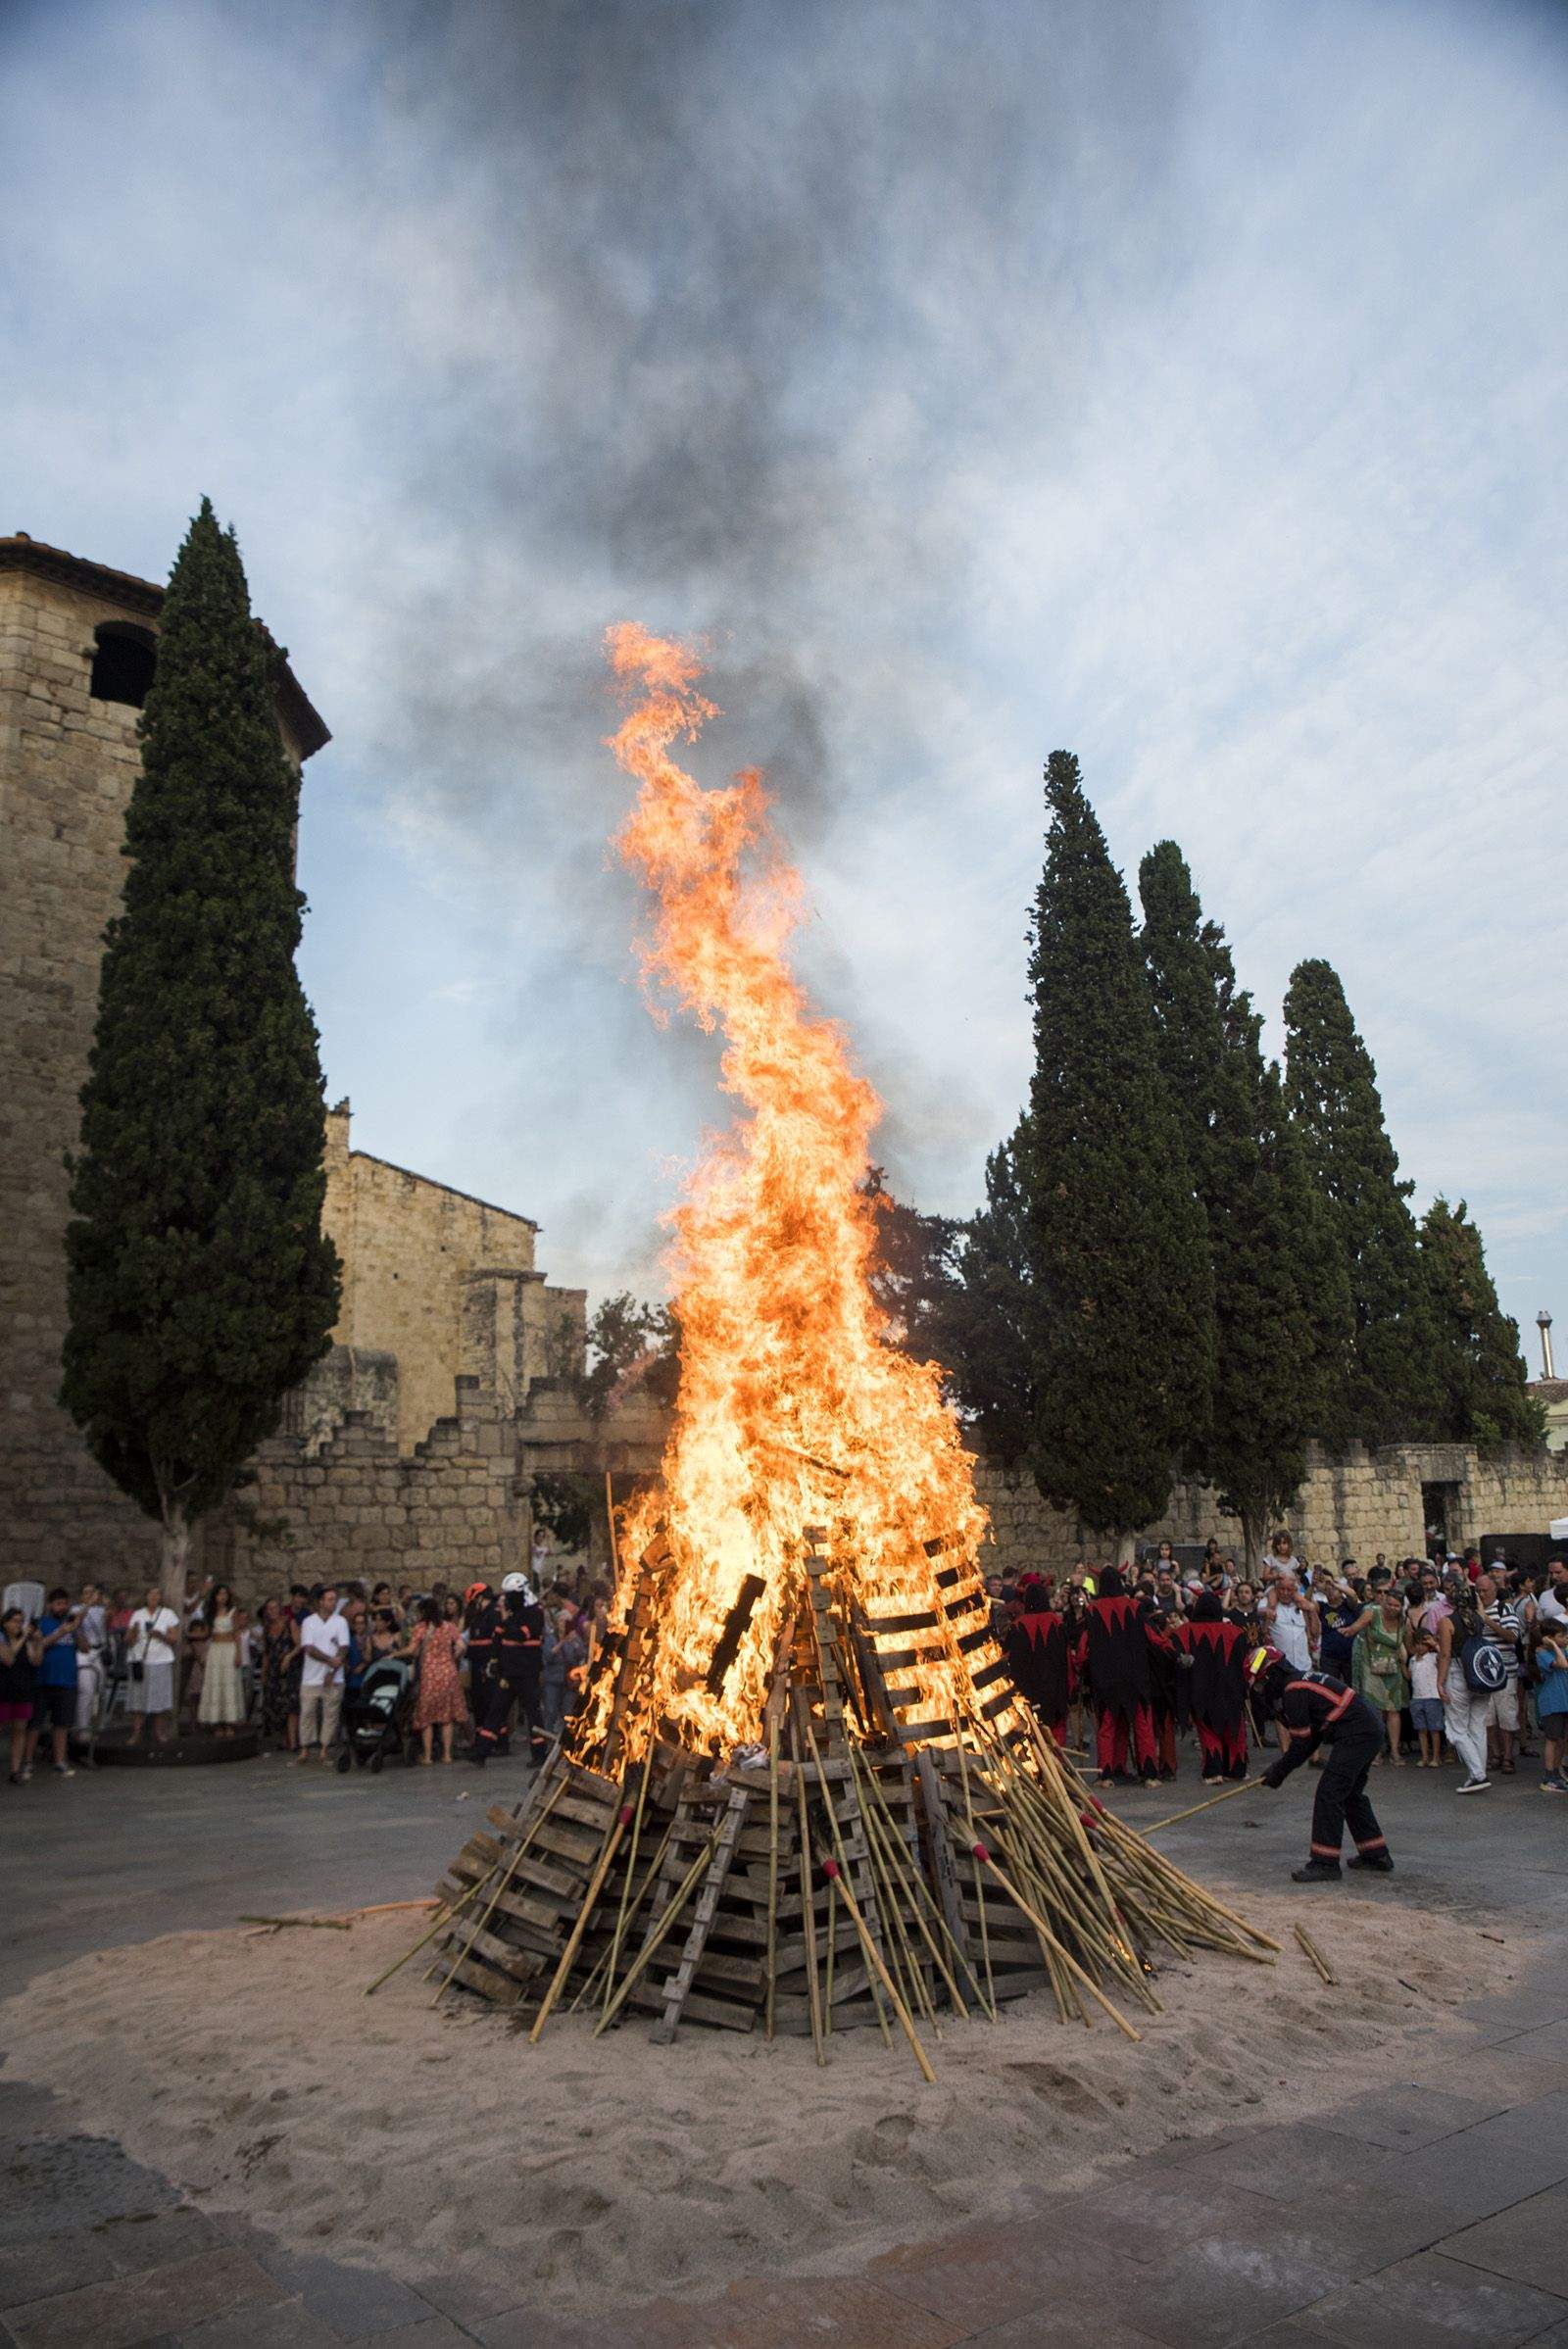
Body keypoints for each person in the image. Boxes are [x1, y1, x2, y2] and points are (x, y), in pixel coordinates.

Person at [1250, 1645, 1392, 1882]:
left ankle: (1325, 1863)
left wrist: (1279, 1771)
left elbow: (1302, 1744)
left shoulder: (1293, 1690)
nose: (1262, 1691)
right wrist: (1280, 1770)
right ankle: (1375, 1854)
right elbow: (1313, 1737)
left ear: (1270, 1674)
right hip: (1369, 1729)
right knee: (1350, 1794)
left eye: (1261, 1685)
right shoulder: (1299, 1682)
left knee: (1330, 1793)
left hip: (1356, 1733)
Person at [1076, 1567, 1165, 1788]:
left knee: (1107, 1726)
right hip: (1136, 1677)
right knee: (1142, 1724)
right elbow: (1153, 1638)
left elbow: (1083, 1649)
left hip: (1105, 1679)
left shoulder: (1092, 1610)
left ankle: (1107, 1774)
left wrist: (1082, 1670)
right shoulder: (1135, 1607)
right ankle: (1150, 1774)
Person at [1169, 1593, 1251, 1782]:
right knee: (1234, 1730)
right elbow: (1244, 1662)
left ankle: (1214, 1772)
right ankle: (1236, 1770)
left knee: (1207, 1730)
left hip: (1200, 1689)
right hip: (1230, 1690)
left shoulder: (1183, 1631)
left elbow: (1173, 1656)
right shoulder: (1235, 1632)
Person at [471, 1573, 546, 1767]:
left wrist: (506, 1621)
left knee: (533, 1713)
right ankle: (481, 1753)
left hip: (527, 1672)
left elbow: (521, 1635)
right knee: (496, 1711)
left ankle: (539, 1754)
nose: (506, 1599)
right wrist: (494, 1660)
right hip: (508, 1672)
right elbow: (498, 1638)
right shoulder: (509, 1612)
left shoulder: (535, 1612)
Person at [1436, 1580, 1493, 1793]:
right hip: (1479, 1674)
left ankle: (1477, 1774)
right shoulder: (1479, 1619)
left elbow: (1445, 1654)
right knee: (1477, 1725)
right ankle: (1479, 1770)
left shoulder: (1447, 1622)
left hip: (1458, 1674)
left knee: (1457, 1728)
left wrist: (1439, 1682)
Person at [22, 1589, 82, 1780]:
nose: (62, 1607)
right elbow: (40, 1645)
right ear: (49, 1605)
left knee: (62, 1724)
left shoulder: (71, 1625)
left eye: (64, 1603)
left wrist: (76, 1629)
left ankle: (59, 1761)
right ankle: (28, 1762)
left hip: (67, 1681)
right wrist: (60, 1632)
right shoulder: (42, 1624)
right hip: (43, 1680)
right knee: (35, 1724)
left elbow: (86, 1647)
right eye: (58, 1604)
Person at [1349, 1576, 1409, 1765]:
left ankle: (1394, 1751)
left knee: (1393, 1711)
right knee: (1374, 1711)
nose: (1391, 1607)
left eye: (1395, 1605)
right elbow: (1357, 1627)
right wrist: (1348, 1631)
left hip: (1393, 1669)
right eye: (1388, 1603)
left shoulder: (1403, 1621)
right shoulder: (1372, 1612)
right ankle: (1376, 1751)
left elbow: (1408, 1645)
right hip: (1371, 1668)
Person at [1006, 1573, 1069, 1745]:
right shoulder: (1057, 1623)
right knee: (1055, 1730)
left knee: (1031, 1733)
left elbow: (1011, 1660)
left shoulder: (1018, 1626)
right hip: (1054, 1687)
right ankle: (1057, 1765)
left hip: (1028, 1690)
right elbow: (1066, 1660)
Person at [403, 1597, 467, 1764]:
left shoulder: (421, 1628)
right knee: (447, 1717)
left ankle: (428, 1755)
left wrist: (394, 1654)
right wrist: (452, 1658)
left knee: (427, 1717)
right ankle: (447, 1754)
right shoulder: (449, 1626)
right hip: (448, 1673)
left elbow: (411, 1650)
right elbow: (461, 1646)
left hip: (430, 1675)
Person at [294, 1586, 349, 1764]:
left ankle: (325, 1748)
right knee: (307, 1712)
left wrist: (334, 1668)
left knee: (330, 1714)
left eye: (334, 1599)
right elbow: (308, 1648)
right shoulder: (309, 1622)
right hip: (311, 1676)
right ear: (321, 1601)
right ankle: (305, 1748)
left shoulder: (340, 1621)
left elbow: (344, 1646)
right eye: (330, 1599)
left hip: (334, 1676)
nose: (333, 1602)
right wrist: (329, 1660)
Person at [1477, 1571, 1522, 1777]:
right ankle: (1495, 1754)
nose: (1481, 1594)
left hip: (1505, 1674)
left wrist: (1487, 1620)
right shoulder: (1473, 1611)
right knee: (1488, 1719)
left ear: (1494, 1590)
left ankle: (1508, 1756)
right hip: (1483, 1675)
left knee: (1507, 1717)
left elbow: (1513, 1636)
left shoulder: (1505, 1609)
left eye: (1484, 1590)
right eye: (1478, 1590)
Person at [125, 1587, 180, 1746]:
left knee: (160, 1697)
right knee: (138, 1697)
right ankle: (136, 1733)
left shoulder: (167, 1614)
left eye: (157, 1594)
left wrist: (159, 1635)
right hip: (140, 1659)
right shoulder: (138, 1614)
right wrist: (134, 1630)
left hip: (160, 1659)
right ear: (146, 1596)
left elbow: (173, 1638)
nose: (154, 1597)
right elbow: (128, 1640)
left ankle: (159, 1732)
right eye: (151, 1594)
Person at [197, 1585, 247, 1735]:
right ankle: (217, 1722)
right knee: (216, 1684)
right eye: (219, 1594)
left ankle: (229, 1722)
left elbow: (237, 1633)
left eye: (225, 1594)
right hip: (215, 1650)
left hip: (229, 1648)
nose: (222, 1597)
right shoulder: (210, 1613)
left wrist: (238, 1654)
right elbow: (206, 1633)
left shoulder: (232, 1611)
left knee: (229, 1683)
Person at [2, 1605, 42, 1784]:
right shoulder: (1, 1639)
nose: (18, 1625)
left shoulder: (25, 1641)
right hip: (3, 1690)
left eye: (21, 1621)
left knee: (20, 1730)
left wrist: (38, 1642)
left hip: (23, 1689)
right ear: (5, 1622)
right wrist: (24, 1636)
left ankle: (15, 1770)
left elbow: (36, 1660)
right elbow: (8, 1658)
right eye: (14, 1621)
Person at [1529, 1615, 1567, 1792]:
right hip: (1552, 1702)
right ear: (1550, 1638)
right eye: (1561, 1636)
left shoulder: (1563, 1650)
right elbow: (1562, 1664)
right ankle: (1549, 1775)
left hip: (1564, 1701)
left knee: (1562, 1739)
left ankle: (1558, 1771)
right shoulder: (1543, 1654)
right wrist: (1552, 1646)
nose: (1565, 1639)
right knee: (1552, 1739)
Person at [256, 1598, 297, 1749]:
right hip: (273, 1668)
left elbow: (298, 1645)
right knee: (275, 1704)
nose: (272, 1611)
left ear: (280, 1609)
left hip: (287, 1669)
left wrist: (289, 1657)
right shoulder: (267, 1628)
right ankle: (282, 1738)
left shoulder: (289, 1623)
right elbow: (266, 1653)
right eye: (269, 1608)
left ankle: (291, 1740)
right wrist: (264, 1674)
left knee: (289, 1704)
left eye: (274, 1608)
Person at [1407, 1620, 1445, 1767]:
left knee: (1434, 1729)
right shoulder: (1412, 1660)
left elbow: (1443, 1655)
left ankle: (1435, 1756)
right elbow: (1409, 1676)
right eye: (1417, 1643)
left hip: (1432, 1697)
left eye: (1423, 1644)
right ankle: (1424, 1756)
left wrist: (1435, 1644)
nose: (1420, 1647)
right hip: (1417, 1698)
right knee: (1421, 1729)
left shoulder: (1433, 1657)